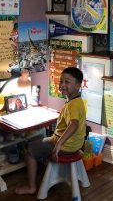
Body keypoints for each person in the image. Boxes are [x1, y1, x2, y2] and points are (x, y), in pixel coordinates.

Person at [15, 67, 86, 195]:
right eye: (61, 81)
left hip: (64, 146)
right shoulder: (78, 101)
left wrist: (58, 144)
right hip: (76, 145)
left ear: (77, 86)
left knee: (29, 150)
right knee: (41, 139)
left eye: (67, 82)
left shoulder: (72, 105)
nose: (63, 85)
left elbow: (74, 124)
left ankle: (31, 187)